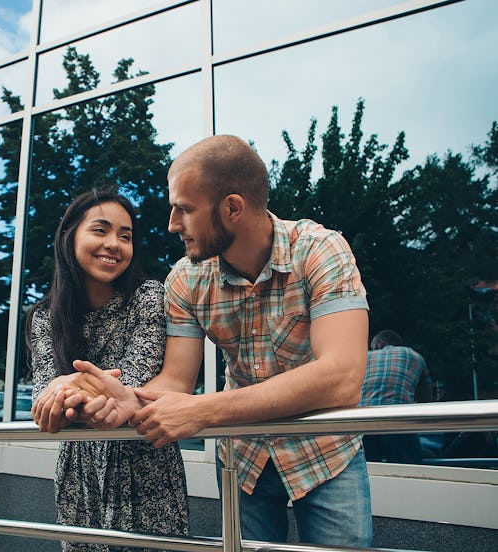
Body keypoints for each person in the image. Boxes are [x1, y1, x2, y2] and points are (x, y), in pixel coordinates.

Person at [41, 135, 373, 546]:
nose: (171, 224)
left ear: (232, 208)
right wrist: (131, 398)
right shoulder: (185, 279)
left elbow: (342, 377)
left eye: (184, 209)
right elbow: (176, 383)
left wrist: (203, 411)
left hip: (326, 454)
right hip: (244, 459)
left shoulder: (321, 251)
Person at [27, 189, 189, 551]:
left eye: (125, 236)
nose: (114, 244)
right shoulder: (45, 317)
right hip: (79, 473)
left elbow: (130, 383)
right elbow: (43, 398)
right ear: (70, 237)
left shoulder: (147, 297)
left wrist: (66, 385)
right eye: (100, 231)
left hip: (145, 463)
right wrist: (58, 391)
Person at [361, 329, 431, 464]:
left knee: (370, 472)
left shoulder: (364, 357)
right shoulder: (414, 356)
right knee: (409, 471)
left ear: (379, 343)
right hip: (398, 421)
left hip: (363, 423)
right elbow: (426, 399)